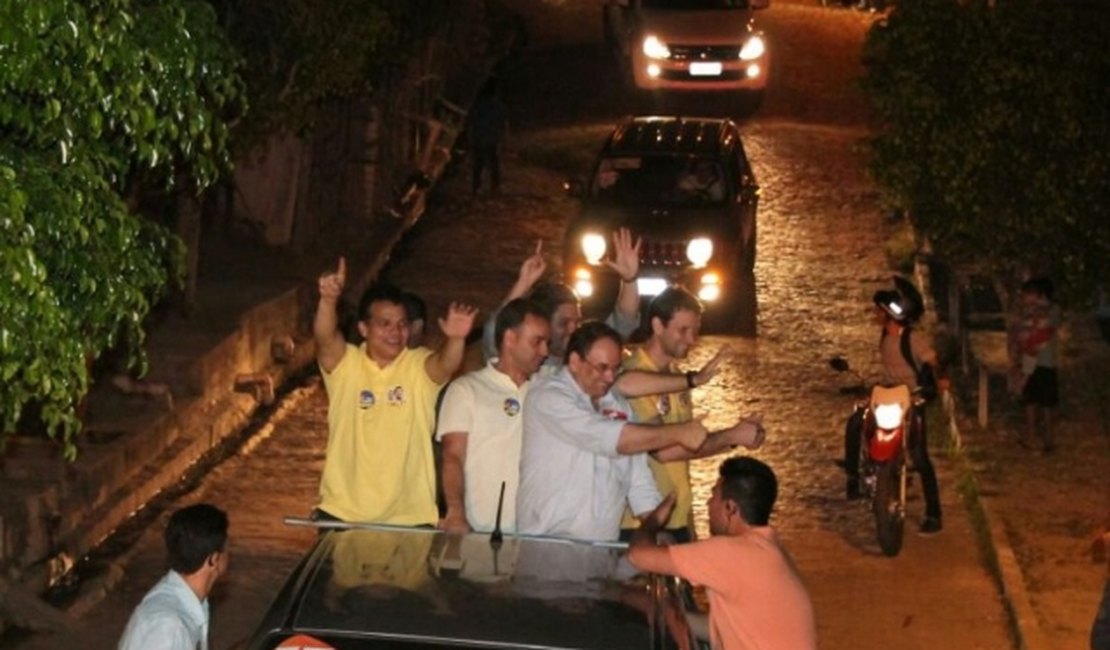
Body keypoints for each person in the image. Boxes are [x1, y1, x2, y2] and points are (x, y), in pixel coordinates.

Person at [313, 257, 478, 525]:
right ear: (364, 328)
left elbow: (445, 364)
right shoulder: (347, 365)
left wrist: (456, 338)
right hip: (344, 514)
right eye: (385, 324)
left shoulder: (416, 366)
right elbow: (325, 337)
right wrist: (328, 300)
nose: (395, 332)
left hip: (409, 518)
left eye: (402, 324)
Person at [515, 321, 712, 542]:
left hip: (602, 546)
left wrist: (654, 528)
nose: (610, 378)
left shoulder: (619, 406)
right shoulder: (548, 397)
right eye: (602, 367)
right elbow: (609, 437)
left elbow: (638, 478)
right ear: (575, 362)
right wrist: (678, 433)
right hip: (548, 545)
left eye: (616, 368)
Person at [619, 287, 766, 543]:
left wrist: (734, 438)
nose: (691, 339)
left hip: (677, 515)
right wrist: (731, 436)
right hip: (642, 521)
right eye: (683, 330)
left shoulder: (676, 377)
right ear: (657, 326)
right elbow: (664, 451)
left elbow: (687, 446)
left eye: (695, 331)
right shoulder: (636, 376)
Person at [627, 457, 817, 650]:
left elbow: (638, 555)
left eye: (714, 496)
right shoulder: (770, 549)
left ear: (730, 508)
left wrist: (655, 519)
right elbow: (727, 628)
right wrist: (667, 612)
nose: (708, 504)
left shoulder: (732, 553)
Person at [436, 298, 551, 534]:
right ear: (510, 338)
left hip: (538, 534)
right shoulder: (467, 389)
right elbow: (453, 455)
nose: (545, 352)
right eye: (537, 341)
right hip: (480, 531)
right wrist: (455, 511)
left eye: (547, 343)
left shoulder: (549, 390)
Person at [844, 278, 944, 535]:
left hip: (912, 397)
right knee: (857, 421)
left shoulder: (913, 339)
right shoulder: (885, 337)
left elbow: (933, 362)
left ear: (888, 313)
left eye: (878, 310)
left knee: (920, 456)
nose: (875, 315)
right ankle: (854, 476)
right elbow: (888, 373)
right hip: (888, 395)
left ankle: (934, 513)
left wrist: (937, 383)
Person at [481, 230, 642, 370]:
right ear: (542, 323)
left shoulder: (581, 358)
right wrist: (523, 284)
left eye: (577, 322)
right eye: (564, 323)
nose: (573, 330)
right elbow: (495, 334)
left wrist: (629, 280)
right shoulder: (524, 360)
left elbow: (623, 323)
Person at [118, 504, 229, 650]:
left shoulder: (186, 602)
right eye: (227, 548)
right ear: (213, 560)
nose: (229, 554)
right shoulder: (169, 627)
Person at [1013, 277, 1060, 453]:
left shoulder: (1051, 311)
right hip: (1034, 360)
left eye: (1026, 294)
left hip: (1043, 361)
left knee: (1046, 402)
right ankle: (1033, 436)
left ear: (1036, 294)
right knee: (1031, 400)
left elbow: (1039, 335)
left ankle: (1047, 439)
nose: (1023, 297)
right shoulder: (1032, 311)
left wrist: (1026, 345)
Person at [468, 78, 509, 197]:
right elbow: (504, 125)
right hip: (492, 138)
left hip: (480, 138)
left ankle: (476, 187)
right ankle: (495, 187)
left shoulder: (478, 107)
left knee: (479, 164)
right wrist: (504, 141)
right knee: (494, 164)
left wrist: (470, 138)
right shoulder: (498, 107)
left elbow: (472, 123)